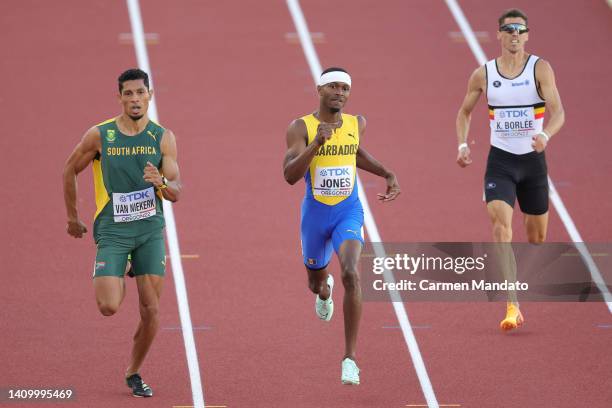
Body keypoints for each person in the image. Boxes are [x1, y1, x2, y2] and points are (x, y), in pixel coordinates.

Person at [62, 68, 182, 397]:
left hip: (149, 231)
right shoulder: (101, 136)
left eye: (140, 93)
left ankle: (134, 371)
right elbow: (69, 169)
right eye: (127, 94)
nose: (134, 99)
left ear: (150, 95)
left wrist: (162, 184)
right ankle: (122, 268)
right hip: (113, 230)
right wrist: (73, 218)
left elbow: (177, 190)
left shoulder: (163, 137)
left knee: (152, 310)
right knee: (108, 306)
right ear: (119, 97)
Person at [283, 67, 400, 384]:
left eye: (345, 88)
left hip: (348, 211)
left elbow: (355, 153)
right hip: (315, 216)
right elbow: (290, 175)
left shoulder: (355, 123)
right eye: (333, 87)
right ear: (318, 90)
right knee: (315, 281)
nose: (340, 93)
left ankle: (349, 359)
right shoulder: (300, 127)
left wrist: (386, 172)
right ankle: (324, 293)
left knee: (351, 271)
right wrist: (316, 145)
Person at [455, 9, 565, 331]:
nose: (514, 35)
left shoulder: (540, 69)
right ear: (499, 35)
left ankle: (516, 291)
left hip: (532, 161)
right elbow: (463, 112)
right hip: (500, 162)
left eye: (520, 30)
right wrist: (462, 144)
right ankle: (512, 304)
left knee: (536, 237)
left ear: (527, 34)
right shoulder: (484, 74)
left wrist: (545, 134)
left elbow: (558, 112)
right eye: (508, 30)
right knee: (501, 228)